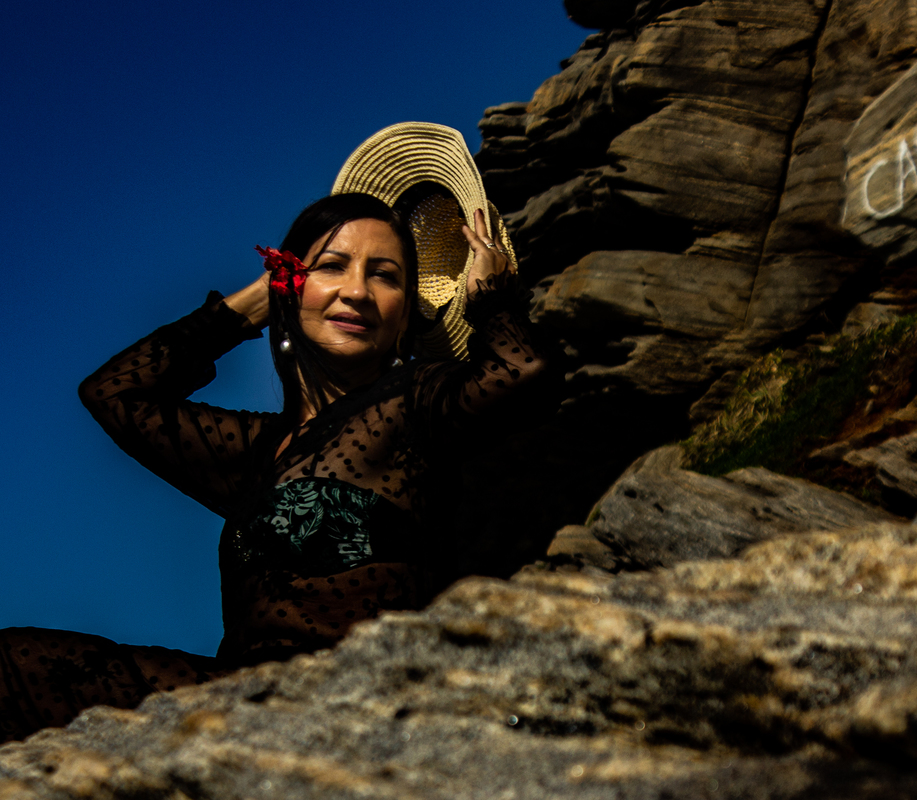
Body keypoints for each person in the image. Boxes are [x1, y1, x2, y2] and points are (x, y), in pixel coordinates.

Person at [0, 188, 557, 743]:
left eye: (385, 276)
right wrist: (254, 303)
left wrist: (489, 298)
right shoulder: (254, 450)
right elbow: (113, 394)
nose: (356, 291)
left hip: (366, 698)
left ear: (407, 313)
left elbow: (523, 371)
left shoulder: (419, 401)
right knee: (17, 661)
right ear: (291, 285)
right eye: (331, 267)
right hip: (242, 696)